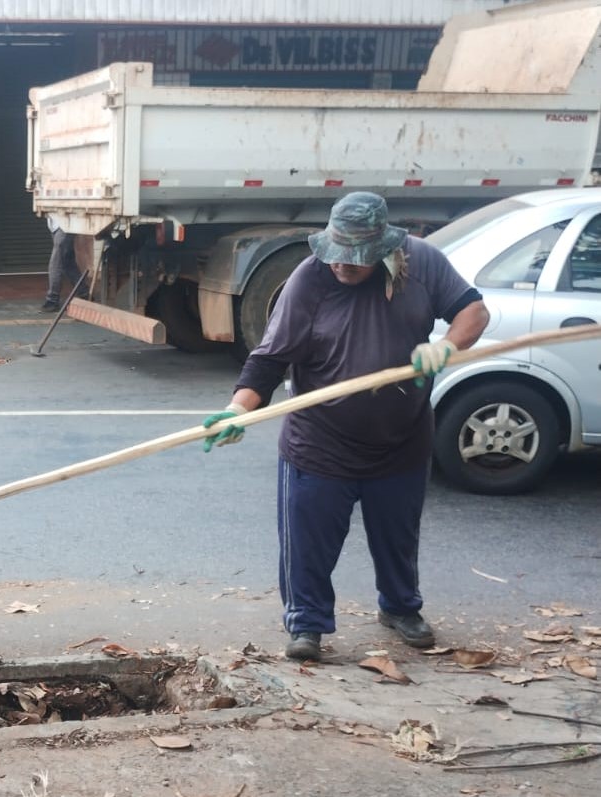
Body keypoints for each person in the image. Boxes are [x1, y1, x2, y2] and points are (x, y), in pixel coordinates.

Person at [200, 192, 490, 663]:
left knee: (398, 540)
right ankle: (307, 623)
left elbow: (473, 312)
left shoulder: (422, 263)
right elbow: (270, 359)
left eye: (355, 260)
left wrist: (449, 347)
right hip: (320, 443)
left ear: (384, 249)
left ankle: (399, 608)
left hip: (401, 439)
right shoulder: (309, 279)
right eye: (337, 255)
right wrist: (238, 408)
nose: (343, 266)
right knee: (309, 543)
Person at [40, 215, 87, 313]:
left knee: (55, 263)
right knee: (67, 262)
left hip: (66, 224)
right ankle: (83, 292)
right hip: (56, 225)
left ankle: (52, 300)